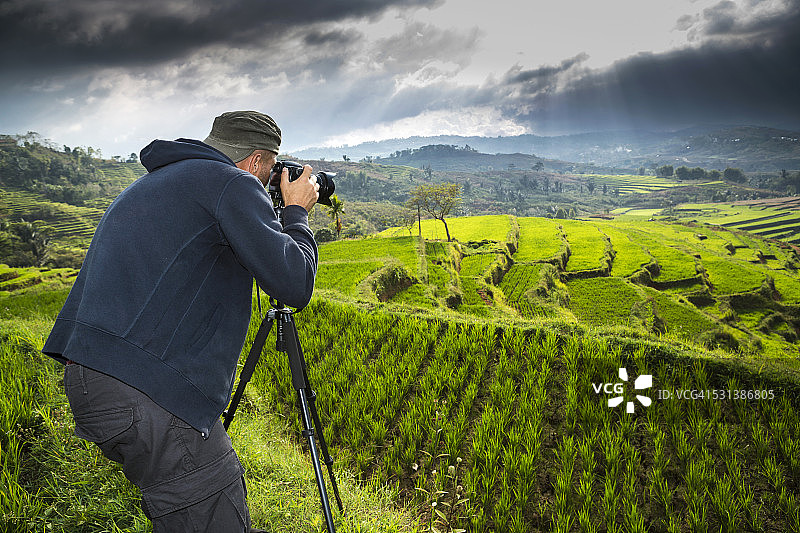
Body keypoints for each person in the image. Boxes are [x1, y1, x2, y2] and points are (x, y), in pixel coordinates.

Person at [42, 111, 319, 532]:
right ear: (257, 161)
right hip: (149, 391)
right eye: (269, 173)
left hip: (94, 377)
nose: (267, 183)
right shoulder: (232, 182)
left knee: (190, 508)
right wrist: (296, 213)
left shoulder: (158, 182)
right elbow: (294, 284)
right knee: (214, 514)